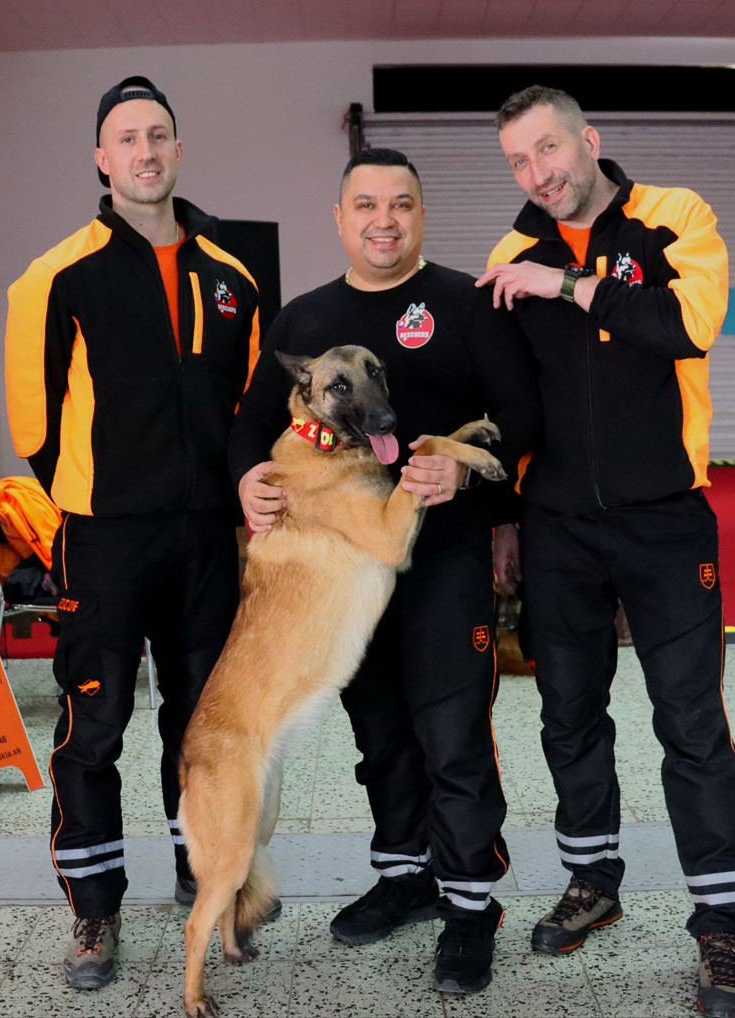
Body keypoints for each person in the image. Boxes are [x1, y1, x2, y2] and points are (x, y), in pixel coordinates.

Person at [229, 147, 540, 996]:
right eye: (365, 204)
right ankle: (405, 878)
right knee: (380, 735)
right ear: (340, 218)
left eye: (400, 204)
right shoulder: (302, 320)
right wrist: (246, 480)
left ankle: (470, 907)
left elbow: (521, 411)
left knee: (452, 732)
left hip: (444, 558)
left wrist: (475, 482)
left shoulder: (463, 303)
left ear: (421, 215)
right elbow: (249, 424)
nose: (383, 220)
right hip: (345, 578)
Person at [478, 85, 735, 1018]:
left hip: (667, 518)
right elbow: (510, 400)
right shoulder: (510, 256)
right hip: (557, 525)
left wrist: (569, 284)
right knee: (568, 714)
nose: (538, 173)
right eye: (519, 161)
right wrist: (505, 520)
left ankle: (721, 923)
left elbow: (686, 325)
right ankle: (592, 880)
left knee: (690, 720)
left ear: (588, 139)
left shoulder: (676, 217)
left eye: (549, 149)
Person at [3, 76, 261, 992]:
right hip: (106, 538)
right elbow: (33, 423)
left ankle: (205, 878)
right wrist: (98, 495)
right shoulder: (53, 276)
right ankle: (94, 908)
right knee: (94, 728)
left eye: (158, 135)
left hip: (206, 540)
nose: (144, 151)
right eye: (126, 138)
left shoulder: (232, 277)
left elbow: (250, 411)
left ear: (178, 150)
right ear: (101, 159)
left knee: (205, 727)